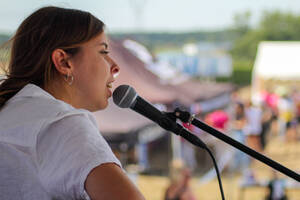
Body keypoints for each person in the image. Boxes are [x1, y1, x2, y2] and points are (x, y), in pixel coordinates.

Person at [0, 6, 145, 200]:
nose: (115, 67)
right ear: (63, 62)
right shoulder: (61, 123)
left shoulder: (10, 112)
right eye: (103, 52)